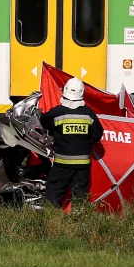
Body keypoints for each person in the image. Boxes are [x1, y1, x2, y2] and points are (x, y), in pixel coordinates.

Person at [40, 78, 104, 207]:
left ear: (64, 93)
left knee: (54, 190)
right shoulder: (88, 113)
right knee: (80, 193)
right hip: (82, 163)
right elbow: (97, 135)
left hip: (62, 162)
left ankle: (51, 217)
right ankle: (79, 219)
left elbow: (43, 121)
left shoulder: (57, 112)